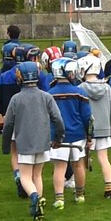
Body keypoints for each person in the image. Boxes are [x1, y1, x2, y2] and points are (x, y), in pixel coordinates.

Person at [2, 62, 65, 220]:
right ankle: (38, 209)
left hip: (25, 143)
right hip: (43, 142)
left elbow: (8, 123)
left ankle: (35, 197)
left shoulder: (16, 99)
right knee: (37, 175)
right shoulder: (46, 96)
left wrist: (5, 146)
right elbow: (58, 120)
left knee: (25, 176)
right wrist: (58, 138)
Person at [48, 59, 90, 209]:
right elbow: (86, 116)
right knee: (79, 165)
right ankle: (80, 195)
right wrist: (89, 135)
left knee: (60, 167)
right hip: (78, 134)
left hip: (58, 136)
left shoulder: (49, 94)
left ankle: (59, 199)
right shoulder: (80, 92)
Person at [77, 55, 111, 199]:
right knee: (103, 158)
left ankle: (80, 190)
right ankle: (109, 188)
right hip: (104, 129)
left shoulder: (80, 88)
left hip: (85, 130)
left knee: (82, 160)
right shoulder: (106, 88)